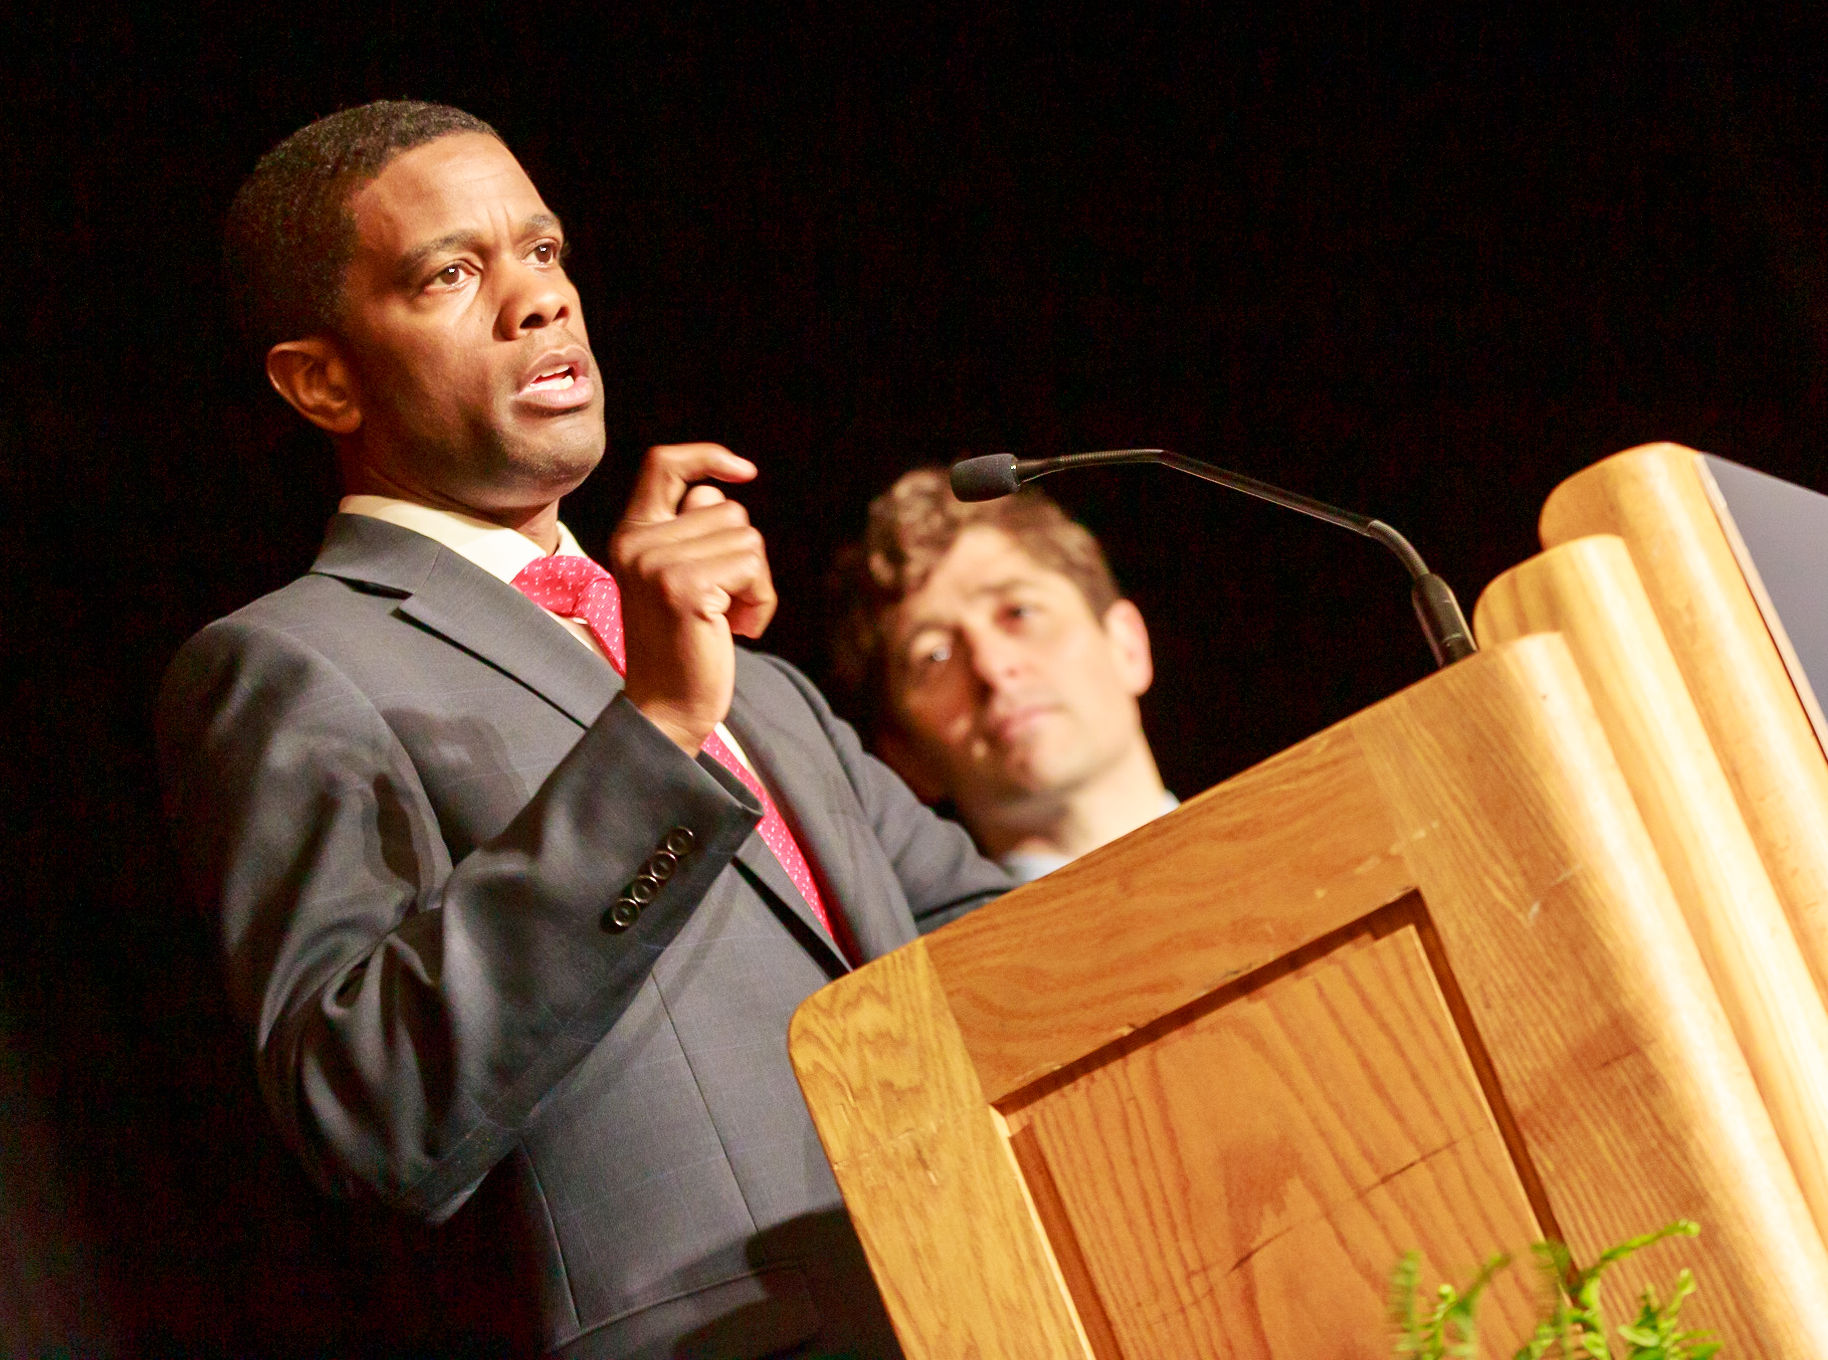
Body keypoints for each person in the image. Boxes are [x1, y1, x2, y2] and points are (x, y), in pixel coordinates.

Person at [156, 101, 1009, 1360]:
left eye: (544, 253)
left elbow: (993, 941)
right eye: (451, 273)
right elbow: (373, 1104)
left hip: (990, 1293)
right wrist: (656, 734)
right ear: (320, 378)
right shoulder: (289, 668)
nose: (537, 302)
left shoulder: (743, 677)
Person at [829, 468, 1176, 882]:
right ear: (904, 758)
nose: (991, 667)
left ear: (1126, 646)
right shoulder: (924, 948)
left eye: (1019, 612)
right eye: (935, 655)